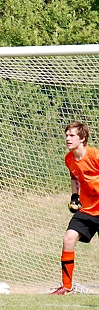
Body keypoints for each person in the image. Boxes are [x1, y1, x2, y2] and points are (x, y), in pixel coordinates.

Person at [54, 121, 99, 295]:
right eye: (67, 135)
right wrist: (75, 196)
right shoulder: (69, 159)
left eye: (72, 135)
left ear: (82, 138)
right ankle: (67, 287)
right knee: (68, 239)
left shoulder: (95, 155)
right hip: (86, 210)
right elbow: (74, 178)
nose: (67, 138)